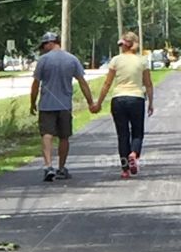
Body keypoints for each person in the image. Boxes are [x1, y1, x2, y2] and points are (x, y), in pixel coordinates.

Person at [29, 30, 94, 182]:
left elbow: (36, 84)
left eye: (44, 45)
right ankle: (61, 168)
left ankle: (47, 166)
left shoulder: (43, 61)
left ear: (50, 43)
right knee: (64, 137)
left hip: (46, 105)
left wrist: (32, 102)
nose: (43, 48)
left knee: (47, 134)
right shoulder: (72, 59)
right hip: (65, 105)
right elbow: (82, 82)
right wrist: (90, 101)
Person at [90, 31, 154, 179]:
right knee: (137, 132)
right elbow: (148, 84)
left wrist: (98, 103)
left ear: (124, 46)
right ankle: (134, 154)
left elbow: (107, 84)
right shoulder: (142, 61)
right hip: (136, 99)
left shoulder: (115, 61)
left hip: (118, 99)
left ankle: (125, 170)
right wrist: (150, 102)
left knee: (122, 134)